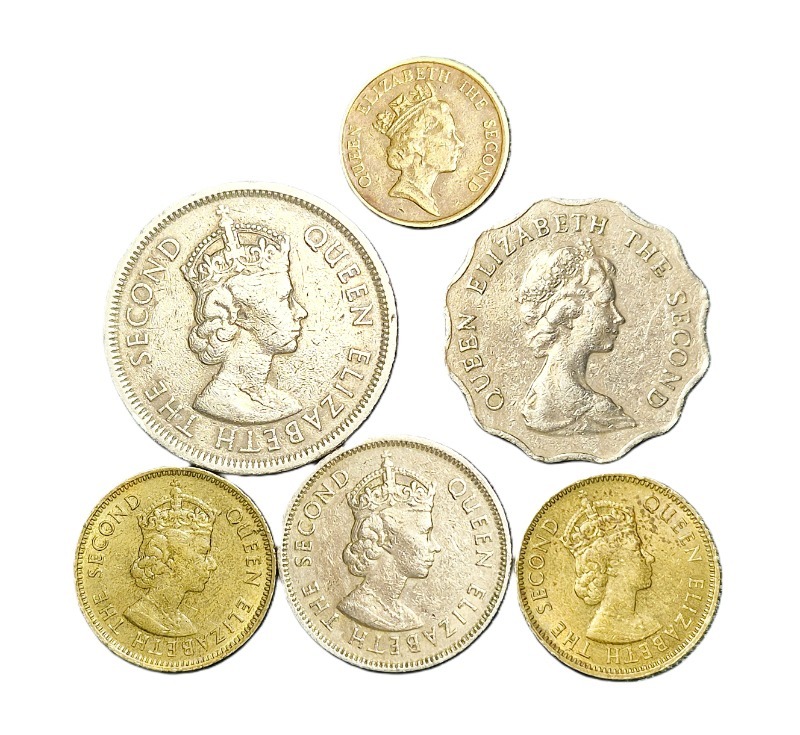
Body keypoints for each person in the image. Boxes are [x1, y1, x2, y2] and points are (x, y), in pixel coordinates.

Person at [182, 206, 307, 423]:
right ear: (238, 313)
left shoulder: (284, 403)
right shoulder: (221, 403)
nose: (301, 312)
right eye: (284, 299)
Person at [517, 238, 636, 434]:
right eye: (605, 304)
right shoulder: (598, 412)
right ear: (569, 313)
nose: (618, 317)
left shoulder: (536, 399)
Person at [338, 454, 441, 631]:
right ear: (385, 538)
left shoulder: (406, 615)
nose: (435, 547)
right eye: (424, 533)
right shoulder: (359, 608)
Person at [561, 495, 659, 644]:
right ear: (611, 566)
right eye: (637, 550)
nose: (650, 558)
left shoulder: (648, 623)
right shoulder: (603, 630)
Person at [125, 484, 217, 637]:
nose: (212, 565)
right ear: (170, 561)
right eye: (203, 553)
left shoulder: (184, 623)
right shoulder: (141, 616)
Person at [373, 83, 464, 216]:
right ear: (418, 145)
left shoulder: (428, 201)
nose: (459, 143)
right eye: (449, 135)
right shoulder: (410, 196)